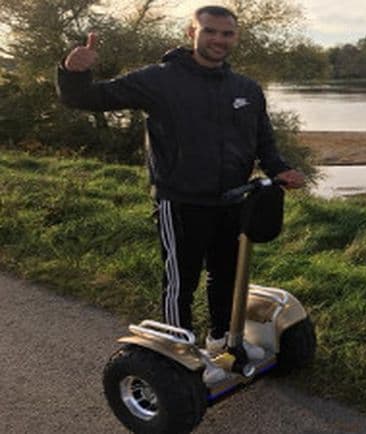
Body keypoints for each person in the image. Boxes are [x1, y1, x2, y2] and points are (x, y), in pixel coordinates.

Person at [57, 5, 304, 359]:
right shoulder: (159, 79)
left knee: (226, 275)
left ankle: (220, 338)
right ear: (192, 34)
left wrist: (279, 169)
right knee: (181, 281)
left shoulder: (246, 88)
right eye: (210, 31)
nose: (219, 39)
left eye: (227, 33)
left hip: (234, 200)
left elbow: (263, 141)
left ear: (235, 37)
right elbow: (85, 98)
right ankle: (179, 351)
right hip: (181, 200)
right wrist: (73, 73)